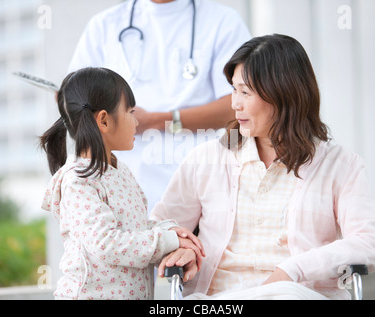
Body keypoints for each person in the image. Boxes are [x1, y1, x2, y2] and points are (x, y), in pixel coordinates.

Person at [150, 34, 375, 300]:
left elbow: (370, 243)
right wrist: (183, 244)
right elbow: (159, 225)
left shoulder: (340, 165)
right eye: (234, 90)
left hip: (297, 295)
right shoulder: (206, 160)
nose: (234, 103)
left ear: (284, 94)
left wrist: (292, 270)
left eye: (245, 92)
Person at [68, 0, 251, 211]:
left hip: (202, 188)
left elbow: (238, 105)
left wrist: (156, 121)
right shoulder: (103, 26)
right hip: (122, 193)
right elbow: (77, 102)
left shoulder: (223, 22)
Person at [40, 67, 203, 300]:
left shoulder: (119, 170)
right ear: (104, 121)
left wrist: (169, 231)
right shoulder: (78, 182)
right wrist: (168, 240)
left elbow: (134, 230)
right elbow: (107, 243)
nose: (136, 121)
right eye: (130, 112)